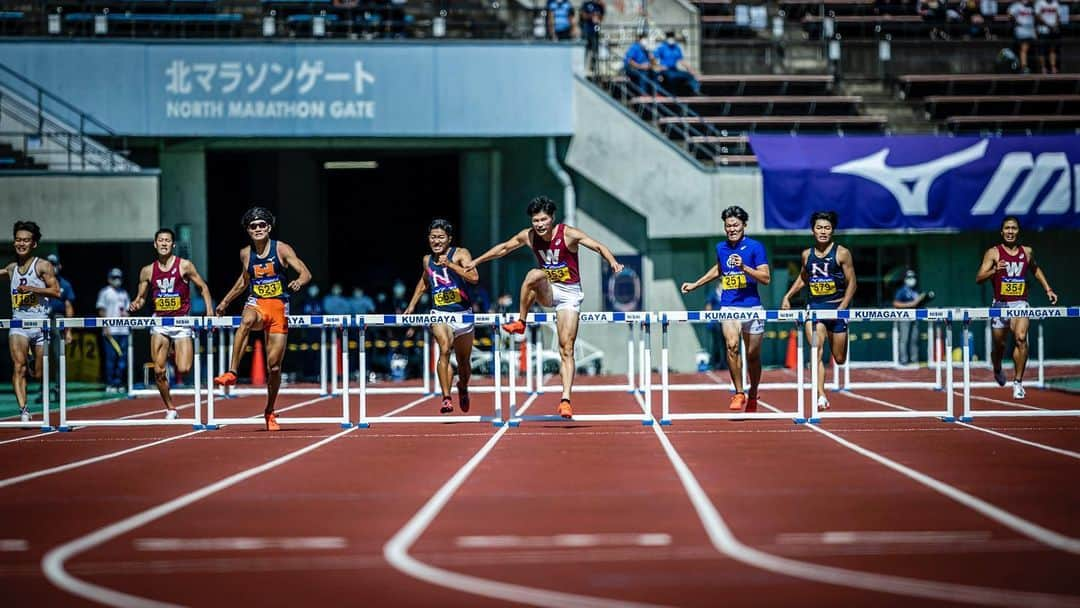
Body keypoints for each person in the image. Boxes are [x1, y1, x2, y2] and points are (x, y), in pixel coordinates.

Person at [465, 196, 623, 419]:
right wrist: (477, 261)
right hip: (548, 290)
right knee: (534, 274)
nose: (539, 225)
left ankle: (565, 400)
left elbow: (597, 245)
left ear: (552, 218)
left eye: (543, 220)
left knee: (566, 348)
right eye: (535, 220)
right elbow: (503, 249)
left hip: (569, 295)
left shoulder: (568, 234)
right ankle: (521, 321)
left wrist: (613, 262)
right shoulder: (528, 236)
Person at [213, 207, 313, 431]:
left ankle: (269, 410)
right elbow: (244, 281)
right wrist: (225, 302)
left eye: (261, 225)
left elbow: (306, 272)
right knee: (246, 320)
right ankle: (232, 372)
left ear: (268, 227)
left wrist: (299, 281)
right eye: (253, 226)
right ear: (248, 230)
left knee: (274, 367)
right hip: (257, 304)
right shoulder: (245, 253)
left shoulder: (281, 249)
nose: (257, 229)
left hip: (278, 309)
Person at [681, 206, 770, 412]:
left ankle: (754, 392)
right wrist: (696, 284)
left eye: (735, 225)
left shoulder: (756, 247)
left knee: (753, 355)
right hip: (729, 306)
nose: (732, 229)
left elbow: (766, 278)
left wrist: (744, 268)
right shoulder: (721, 247)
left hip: (752, 307)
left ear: (744, 226)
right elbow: (719, 269)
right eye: (728, 225)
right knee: (732, 346)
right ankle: (739, 392)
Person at [127, 228, 214, 419]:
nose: (164, 243)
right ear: (155, 244)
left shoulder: (184, 266)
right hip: (160, 322)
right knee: (158, 371)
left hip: (181, 322)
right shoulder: (147, 271)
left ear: (173, 245)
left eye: (167, 240)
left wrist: (209, 312)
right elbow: (141, 298)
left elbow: (203, 287)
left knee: (184, 368)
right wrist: (136, 303)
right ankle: (171, 408)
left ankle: (173, 349)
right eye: (161, 240)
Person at [780, 211, 857, 411]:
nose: (823, 232)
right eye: (819, 228)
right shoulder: (807, 254)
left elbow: (852, 283)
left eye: (827, 228)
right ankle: (820, 395)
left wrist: (843, 307)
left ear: (832, 230)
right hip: (815, 309)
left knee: (839, 359)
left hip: (837, 309)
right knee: (816, 350)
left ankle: (822, 390)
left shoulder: (842, 253)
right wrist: (788, 296)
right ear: (813, 230)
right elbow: (804, 278)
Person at [975, 216, 1057, 400]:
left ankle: (1018, 382)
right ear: (1002, 231)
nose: (1010, 231)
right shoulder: (993, 253)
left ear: (1018, 231)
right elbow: (979, 278)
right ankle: (997, 368)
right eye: (1007, 228)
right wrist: (995, 270)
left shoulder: (1027, 252)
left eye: (1013, 228)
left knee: (1021, 338)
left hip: (1020, 302)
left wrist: (1048, 289)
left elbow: (1035, 269)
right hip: (1000, 304)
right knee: (999, 345)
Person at [402, 219, 479, 414]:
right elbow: (424, 281)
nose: (436, 241)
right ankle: (446, 397)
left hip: (463, 314)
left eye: (441, 237)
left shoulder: (461, 253)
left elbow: (474, 278)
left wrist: (451, 265)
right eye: (433, 237)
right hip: (439, 313)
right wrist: (412, 305)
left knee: (463, 362)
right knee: (444, 347)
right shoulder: (427, 260)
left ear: (449, 239)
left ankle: (462, 386)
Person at [1, 221, 61, 423]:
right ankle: (24, 410)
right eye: (18, 240)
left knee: (38, 373)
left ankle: (34, 363)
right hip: (18, 324)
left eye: (26, 240)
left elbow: (56, 292)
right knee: (19, 367)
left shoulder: (43, 266)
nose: (21, 243)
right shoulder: (11, 269)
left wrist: (34, 289)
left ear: (33, 244)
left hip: (40, 324)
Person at [96, 267, 131, 394]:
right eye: (114, 278)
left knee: (122, 359)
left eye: (119, 278)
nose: (117, 280)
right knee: (111, 359)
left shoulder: (124, 293)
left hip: (123, 331)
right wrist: (105, 327)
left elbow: (127, 310)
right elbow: (101, 310)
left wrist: (127, 316)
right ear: (109, 279)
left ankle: (119, 382)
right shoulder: (105, 292)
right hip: (111, 331)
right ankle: (110, 383)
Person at [892, 269, 934, 366]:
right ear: (905, 279)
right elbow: (895, 303)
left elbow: (919, 302)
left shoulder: (916, 290)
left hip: (915, 316)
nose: (912, 279)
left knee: (914, 339)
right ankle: (903, 360)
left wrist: (924, 298)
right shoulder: (902, 290)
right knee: (904, 339)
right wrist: (910, 304)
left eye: (913, 277)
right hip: (905, 316)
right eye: (909, 277)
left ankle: (914, 360)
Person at [654, 31, 701, 95]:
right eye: (669, 37)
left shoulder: (676, 48)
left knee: (690, 76)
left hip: (674, 70)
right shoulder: (662, 47)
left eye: (672, 37)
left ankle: (696, 91)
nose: (671, 39)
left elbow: (681, 60)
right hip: (665, 71)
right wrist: (659, 67)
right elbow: (653, 58)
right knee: (672, 78)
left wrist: (691, 69)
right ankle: (671, 95)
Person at [1009, 0, 1037, 73]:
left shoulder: (1031, 7)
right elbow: (1010, 15)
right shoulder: (1016, 6)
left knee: (1026, 50)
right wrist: (1017, 22)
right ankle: (1024, 67)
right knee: (1024, 48)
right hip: (1021, 31)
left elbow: (1034, 18)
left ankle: (1023, 66)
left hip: (1030, 31)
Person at [1035, 0, 1063, 73]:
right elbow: (1037, 16)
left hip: (1053, 31)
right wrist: (1048, 25)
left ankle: (1053, 67)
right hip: (1043, 30)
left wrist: (1055, 25)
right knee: (1042, 50)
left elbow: (1058, 15)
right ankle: (1043, 68)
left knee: (1052, 49)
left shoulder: (1055, 3)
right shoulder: (1039, 2)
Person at [579, 0, 606, 71]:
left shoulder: (599, 5)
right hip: (587, 31)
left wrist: (601, 11)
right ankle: (584, 67)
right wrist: (592, 16)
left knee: (595, 51)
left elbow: (601, 18)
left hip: (595, 31)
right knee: (586, 50)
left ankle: (593, 68)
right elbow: (583, 15)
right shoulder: (586, 3)